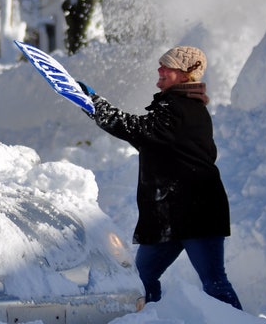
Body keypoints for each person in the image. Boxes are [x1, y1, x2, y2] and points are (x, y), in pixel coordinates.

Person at [77, 46, 242, 310]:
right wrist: (95, 105)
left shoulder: (182, 108)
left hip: (197, 212)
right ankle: (151, 319)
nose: (160, 70)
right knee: (141, 279)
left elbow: (137, 130)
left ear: (186, 74)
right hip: (170, 215)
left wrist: (95, 104)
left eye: (168, 66)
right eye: (161, 65)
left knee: (214, 282)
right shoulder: (175, 108)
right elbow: (148, 140)